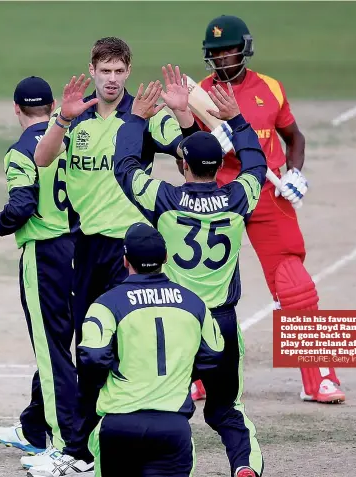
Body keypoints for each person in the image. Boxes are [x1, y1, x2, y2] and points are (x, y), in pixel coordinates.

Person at [30, 38, 198, 472]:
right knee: (90, 348)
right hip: (87, 247)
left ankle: (135, 431)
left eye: (118, 71)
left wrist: (182, 112)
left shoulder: (141, 116)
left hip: (131, 250)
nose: (111, 79)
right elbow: (42, 158)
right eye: (104, 70)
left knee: (132, 343)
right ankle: (81, 450)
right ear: (92, 70)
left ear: (127, 71)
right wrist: (61, 121)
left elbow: (190, 152)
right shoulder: (75, 116)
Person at [112, 76, 266, 477]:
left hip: (177, 319)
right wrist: (237, 120)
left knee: (168, 407)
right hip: (224, 320)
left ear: (183, 165)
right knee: (227, 408)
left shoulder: (166, 199)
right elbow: (256, 164)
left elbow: (125, 169)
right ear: (216, 166)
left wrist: (135, 118)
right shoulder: (239, 197)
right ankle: (245, 467)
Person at [193, 14, 345, 404]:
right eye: (215, 53)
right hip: (221, 194)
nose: (223, 57)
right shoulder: (200, 97)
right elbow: (186, 158)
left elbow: (294, 136)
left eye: (229, 50)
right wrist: (214, 146)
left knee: (295, 285)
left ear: (243, 49)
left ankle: (320, 380)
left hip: (267, 193)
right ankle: (196, 374)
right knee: (202, 284)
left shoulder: (271, 88)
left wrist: (293, 172)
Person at [29, 222, 224, 477]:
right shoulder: (194, 303)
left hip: (118, 426)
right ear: (165, 258)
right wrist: (180, 374)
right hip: (173, 428)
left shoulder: (106, 305)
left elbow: (93, 359)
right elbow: (215, 355)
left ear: (124, 260)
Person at [0, 77, 78, 468]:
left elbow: (22, 206)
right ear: (54, 104)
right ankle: (34, 427)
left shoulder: (22, 150)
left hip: (45, 255)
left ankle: (65, 442)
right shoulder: (75, 139)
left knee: (52, 348)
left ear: (16, 109)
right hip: (84, 249)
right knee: (65, 344)